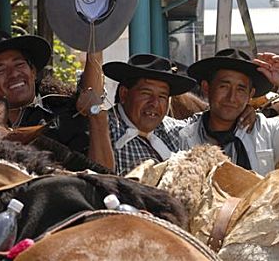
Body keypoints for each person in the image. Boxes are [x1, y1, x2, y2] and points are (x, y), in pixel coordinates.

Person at [0, 30, 114, 170]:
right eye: (0, 70)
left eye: (19, 64)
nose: (13, 74)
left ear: (33, 71)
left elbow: (104, 175)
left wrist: (97, 118)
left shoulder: (68, 113)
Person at [183, 49, 279, 175]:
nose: (231, 97)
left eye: (241, 89)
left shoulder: (266, 131)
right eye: (224, 86)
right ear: (206, 88)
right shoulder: (184, 135)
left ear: (251, 94)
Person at [102, 54, 257, 175]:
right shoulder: (106, 128)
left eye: (162, 96)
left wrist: (240, 110)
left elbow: (212, 119)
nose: (154, 103)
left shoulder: (173, 130)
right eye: (146, 93)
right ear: (124, 94)